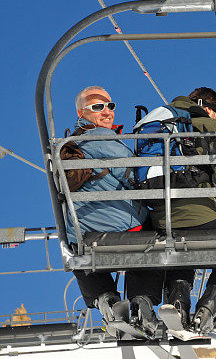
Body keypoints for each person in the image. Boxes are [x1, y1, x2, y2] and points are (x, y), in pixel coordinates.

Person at [142, 87, 216, 330]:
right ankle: (208, 306)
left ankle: (178, 298)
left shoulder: (161, 122)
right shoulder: (214, 127)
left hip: (163, 219)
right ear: (209, 108)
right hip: (207, 215)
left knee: (179, 245)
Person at [62, 86, 157, 334]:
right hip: (124, 227)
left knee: (80, 255)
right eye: (97, 107)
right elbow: (135, 178)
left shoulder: (69, 145)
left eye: (110, 106)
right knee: (155, 235)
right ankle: (142, 301)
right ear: (81, 113)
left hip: (82, 233)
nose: (106, 111)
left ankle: (105, 299)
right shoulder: (103, 140)